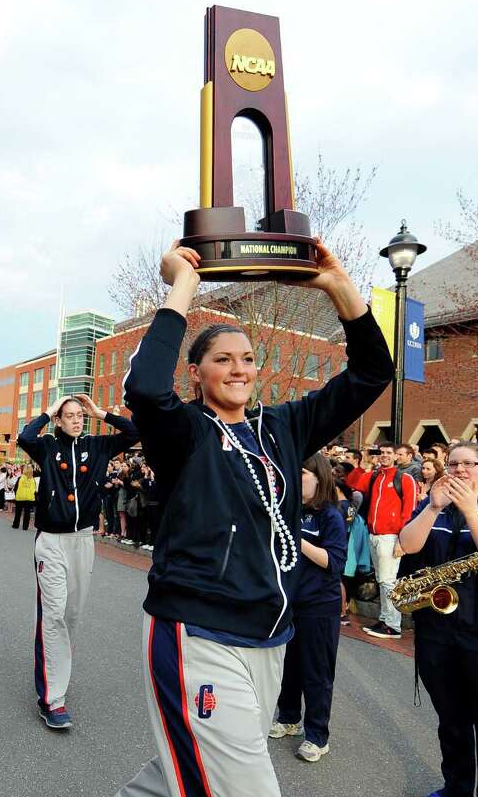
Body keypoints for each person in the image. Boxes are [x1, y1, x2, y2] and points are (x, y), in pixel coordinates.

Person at [115, 238, 390, 797]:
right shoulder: (183, 432)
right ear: (196, 374)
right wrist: (183, 284)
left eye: (246, 357)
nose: (238, 368)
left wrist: (339, 286)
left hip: (270, 636)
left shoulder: (284, 426)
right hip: (199, 631)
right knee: (244, 786)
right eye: (222, 358)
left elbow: (371, 373)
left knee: (183, 777)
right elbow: (143, 386)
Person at [396, 442, 478, 797]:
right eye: (452, 464)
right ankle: (456, 787)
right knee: (452, 723)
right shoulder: (433, 506)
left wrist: (471, 510)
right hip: (438, 634)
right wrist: (433, 508)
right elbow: (408, 545)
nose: (458, 470)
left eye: (468, 464)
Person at [18, 392, 139, 730]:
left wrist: (102, 412)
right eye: (68, 415)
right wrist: (48, 410)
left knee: (71, 616)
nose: (75, 420)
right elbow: (24, 437)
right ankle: (52, 699)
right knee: (53, 615)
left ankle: (57, 676)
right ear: (59, 419)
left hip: (82, 541)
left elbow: (132, 434)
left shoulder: (98, 446)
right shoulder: (46, 448)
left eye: (79, 415)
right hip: (52, 542)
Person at [268, 453, 347, 763]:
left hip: (320, 605)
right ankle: (288, 717)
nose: (295, 477)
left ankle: (317, 735)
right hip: (290, 601)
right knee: (290, 666)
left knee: (317, 671)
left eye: (301, 472)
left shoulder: (330, 516)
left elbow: (334, 562)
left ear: (319, 477)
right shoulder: (290, 509)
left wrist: (297, 538)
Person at [351, 441, 418, 639]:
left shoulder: (404, 478)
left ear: (397, 456)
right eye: (381, 452)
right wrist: (365, 462)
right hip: (374, 534)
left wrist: (401, 540)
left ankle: (393, 625)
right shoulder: (375, 476)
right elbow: (353, 484)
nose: (384, 455)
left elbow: (410, 512)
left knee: (388, 581)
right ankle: (385, 619)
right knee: (383, 580)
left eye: (389, 452)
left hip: (391, 536)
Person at [11, 463, 36, 530]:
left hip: (20, 497)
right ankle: (25, 527)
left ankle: (16, 525)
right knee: (27, 513)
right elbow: (34, 489)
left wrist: (16, 494)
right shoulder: (32, 479)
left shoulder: (20, 478)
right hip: (29, 498)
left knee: (18, 512)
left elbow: (16, 488)